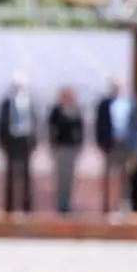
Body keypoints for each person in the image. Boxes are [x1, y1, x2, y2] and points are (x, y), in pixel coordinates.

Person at [95, 76, 137, 215]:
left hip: (126, 143)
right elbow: (99, 125)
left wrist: (135, 146)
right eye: (114, 86)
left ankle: (124, 204)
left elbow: (136, 126)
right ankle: (107, 205)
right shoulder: (104, 104)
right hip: (111, 143)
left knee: (125, 175)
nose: (117, 89)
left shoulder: (131, 104)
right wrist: (101, 143)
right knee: (109, 174)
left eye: (119, 86)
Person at [0, 71, 39, 214]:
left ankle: (27, 207)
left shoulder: (30, 101)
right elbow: (2, 123)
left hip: (25, 139)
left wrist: (34, 141)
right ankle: (9, 208)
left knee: (26, 175)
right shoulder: (7, 101)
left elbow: (35, 122)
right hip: (11, 140)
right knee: (10, 174)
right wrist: (2, 141)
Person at [47, 86, 85, 215]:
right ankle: (60, 203)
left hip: (72, 148)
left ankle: (68, 203)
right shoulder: (56, 110)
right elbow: (51, 129)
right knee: (60, 177)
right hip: (60, 147)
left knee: (70, 177)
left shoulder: (77, 110)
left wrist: (80, 145)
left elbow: (80, 129)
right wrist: (52, 145)